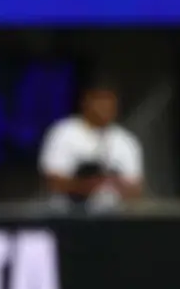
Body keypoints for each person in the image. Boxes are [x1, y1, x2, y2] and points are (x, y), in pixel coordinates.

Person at [37, 81, 143, 212]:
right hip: (66, 215)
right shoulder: (63, 133)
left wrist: (110, 180)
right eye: (101, 102)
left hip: (113, 217)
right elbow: (52, 182)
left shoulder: (126, 141)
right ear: (86, 102)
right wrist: (89, 183)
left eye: (110, 103)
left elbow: (135, 190)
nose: (106, 108)